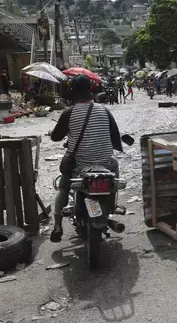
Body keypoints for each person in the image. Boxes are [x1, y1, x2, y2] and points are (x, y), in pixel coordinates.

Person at [49, 75, 123, 242]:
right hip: (105, 164)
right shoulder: (104, 110)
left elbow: (55, 137)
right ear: (90, 90)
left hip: (79, 165)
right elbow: (114, 136)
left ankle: (58, 224)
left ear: (73, 92)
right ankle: (112, 204)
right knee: (115, 171)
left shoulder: (69, 113)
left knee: (64, 185)